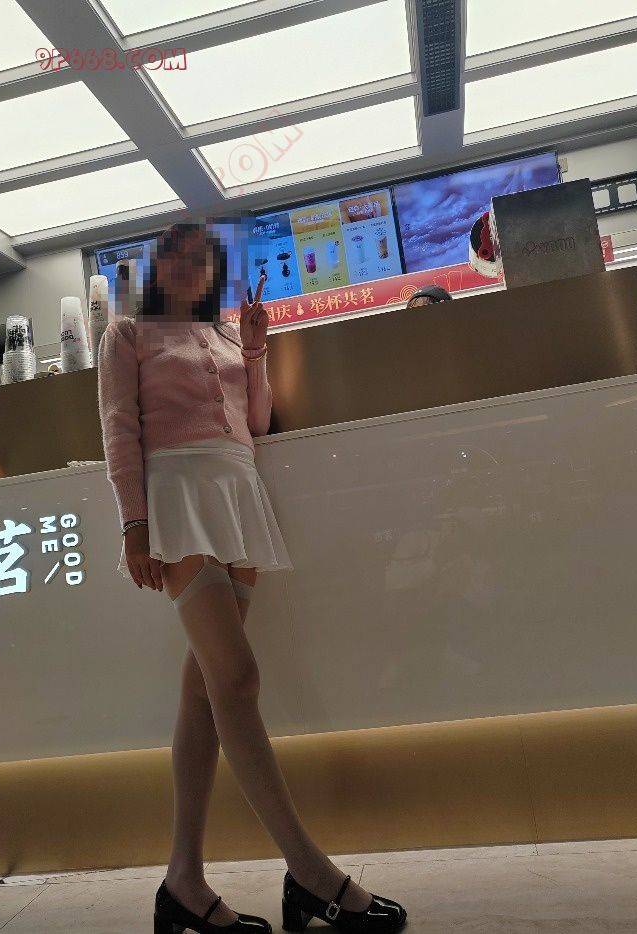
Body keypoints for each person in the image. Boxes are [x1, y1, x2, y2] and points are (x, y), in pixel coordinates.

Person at [97, 222, 407, 934]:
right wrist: (133, 523)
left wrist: (257, 350)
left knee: (207, 688)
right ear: (156, 266)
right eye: (175, 255)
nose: (187, 266)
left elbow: (258, 422)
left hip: (238, 495)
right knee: (235, 679)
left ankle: (183, 881)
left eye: (200, 258)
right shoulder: (127, 333)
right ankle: (310, 873)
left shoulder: (227, 334)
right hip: (178, 497)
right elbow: (119, 427)